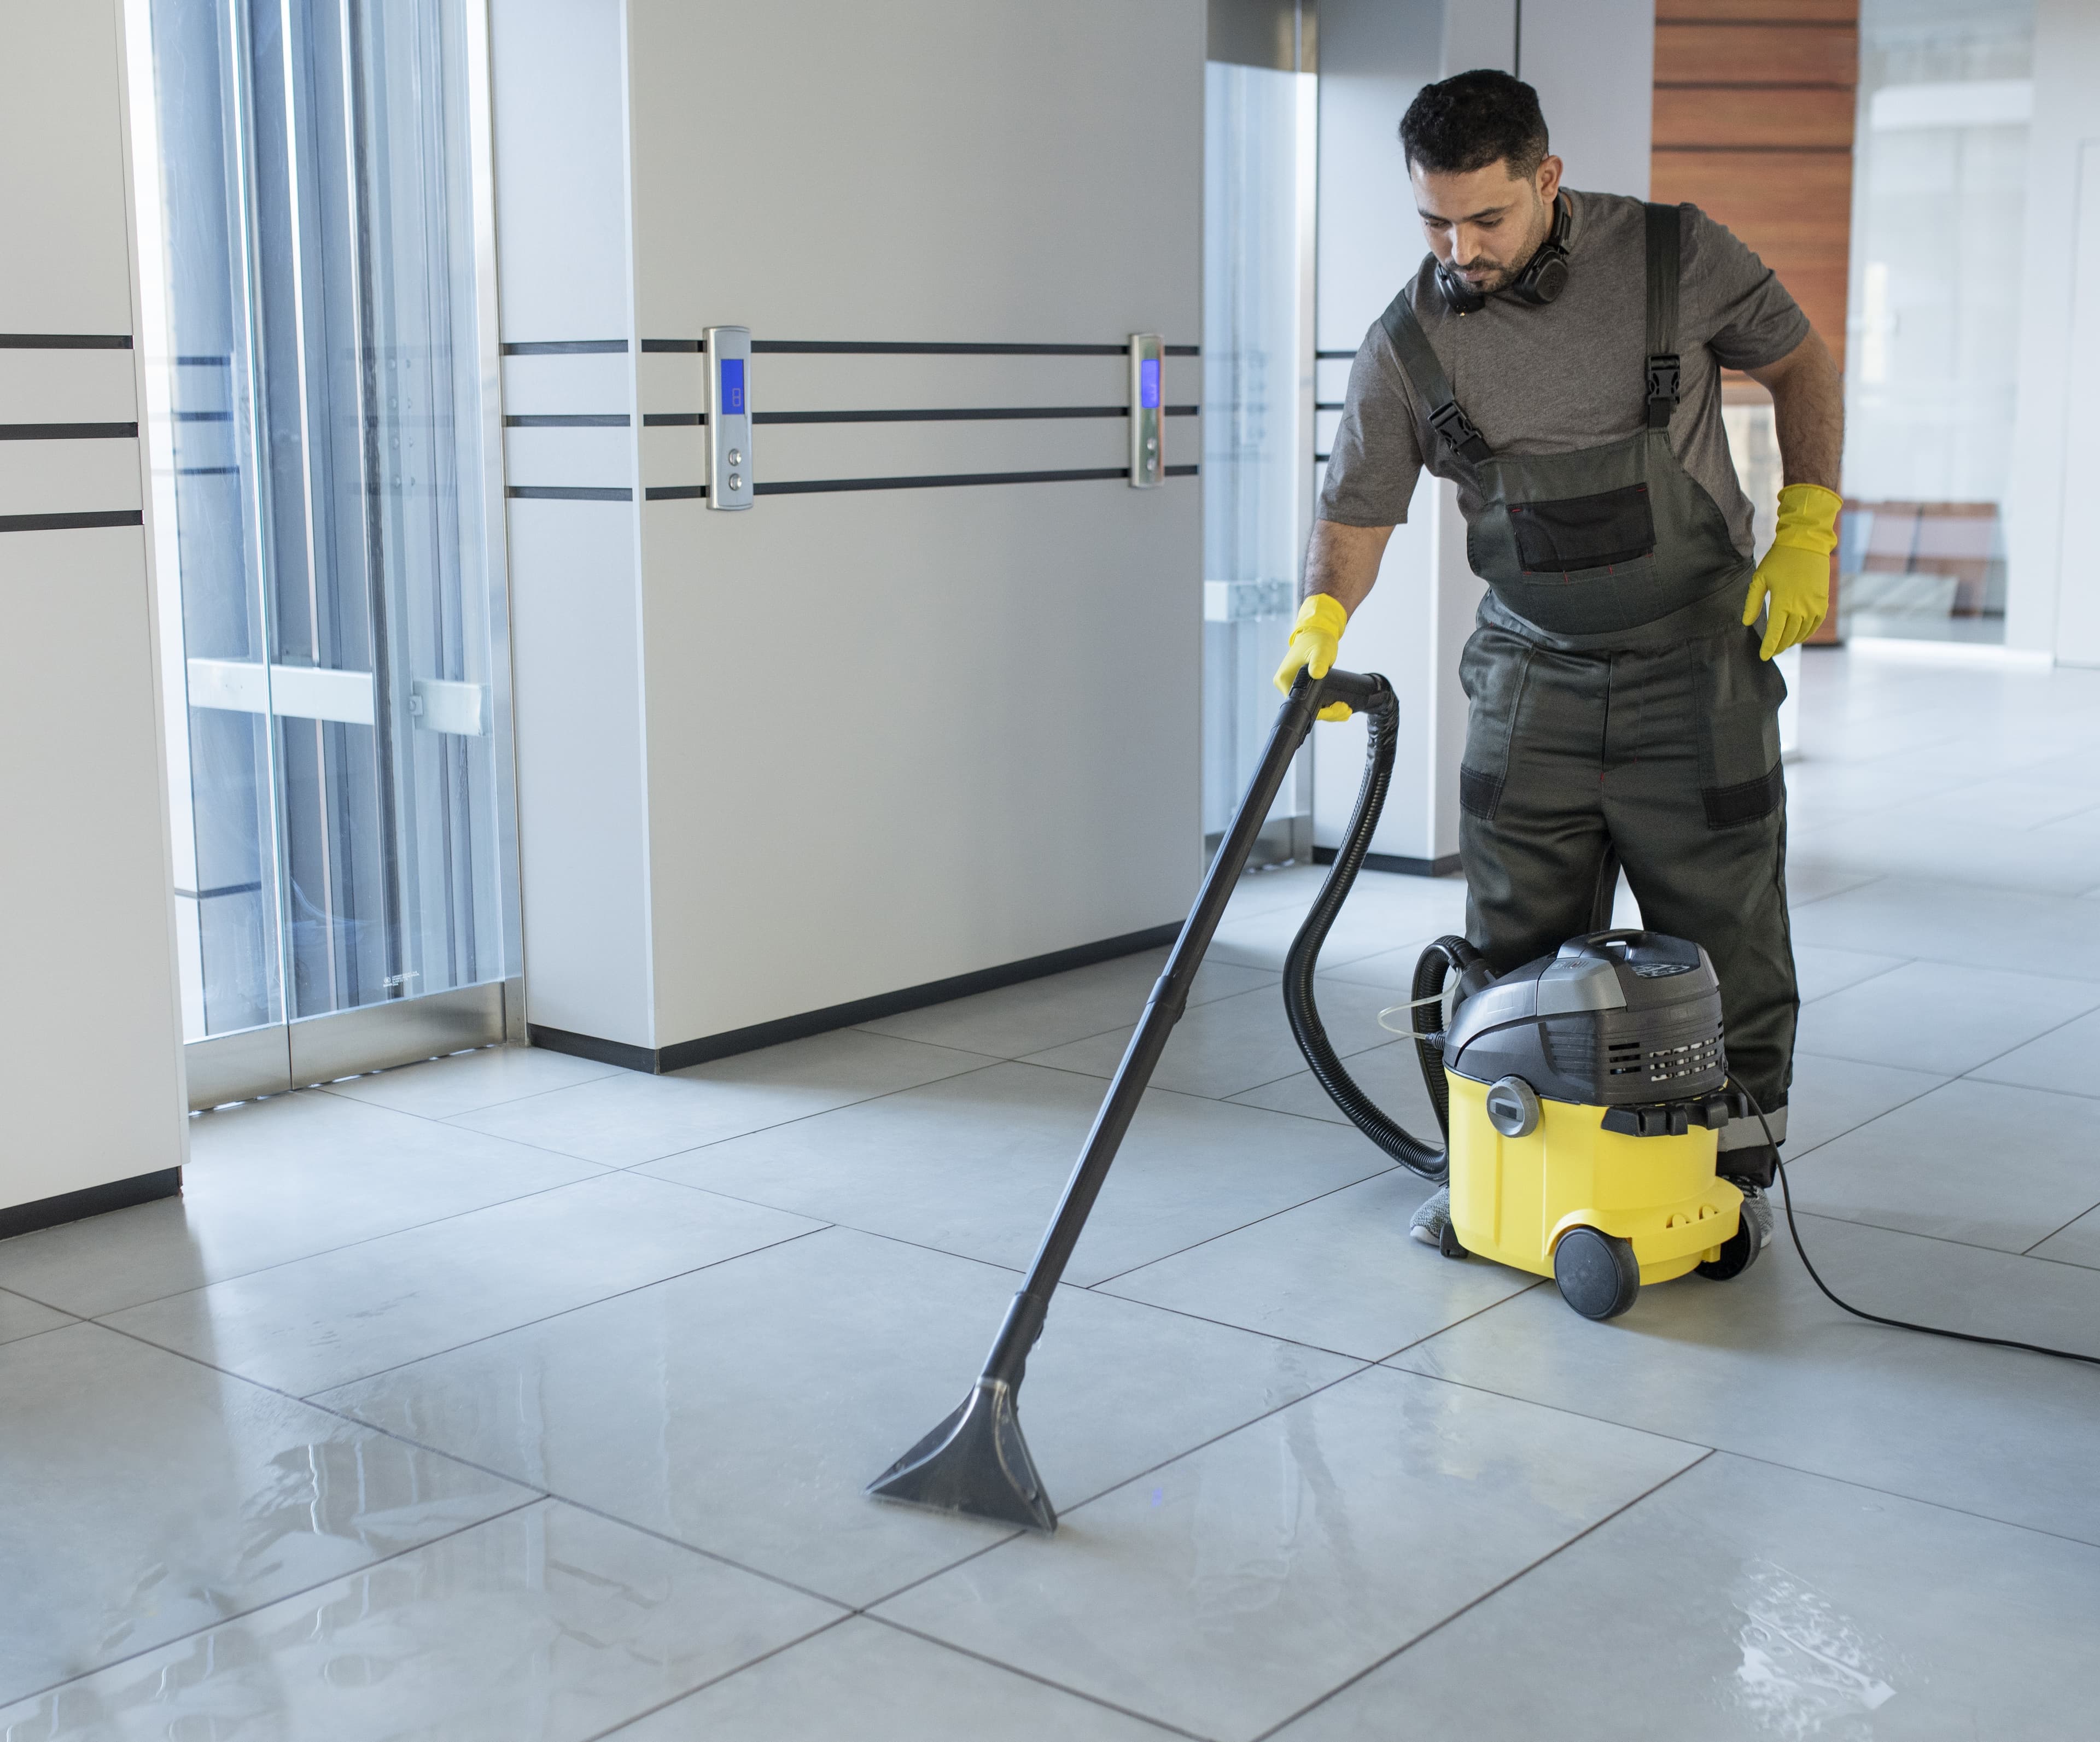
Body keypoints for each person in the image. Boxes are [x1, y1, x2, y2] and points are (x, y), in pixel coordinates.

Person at [1275, 70, 1843, 1251]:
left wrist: (1808, 527)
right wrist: (1321, 622)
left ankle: (1725, 1187)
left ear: (1547, 178)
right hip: (1531, 672)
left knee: (1724, 927)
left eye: (1486, 218)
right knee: (1512, 940)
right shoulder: (1408, 338)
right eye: (1434, 220)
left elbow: (1799, 362)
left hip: (1696, 663)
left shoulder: (1674, 257)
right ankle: (1506, 1172)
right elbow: (1359, 512)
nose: (1458, 247)